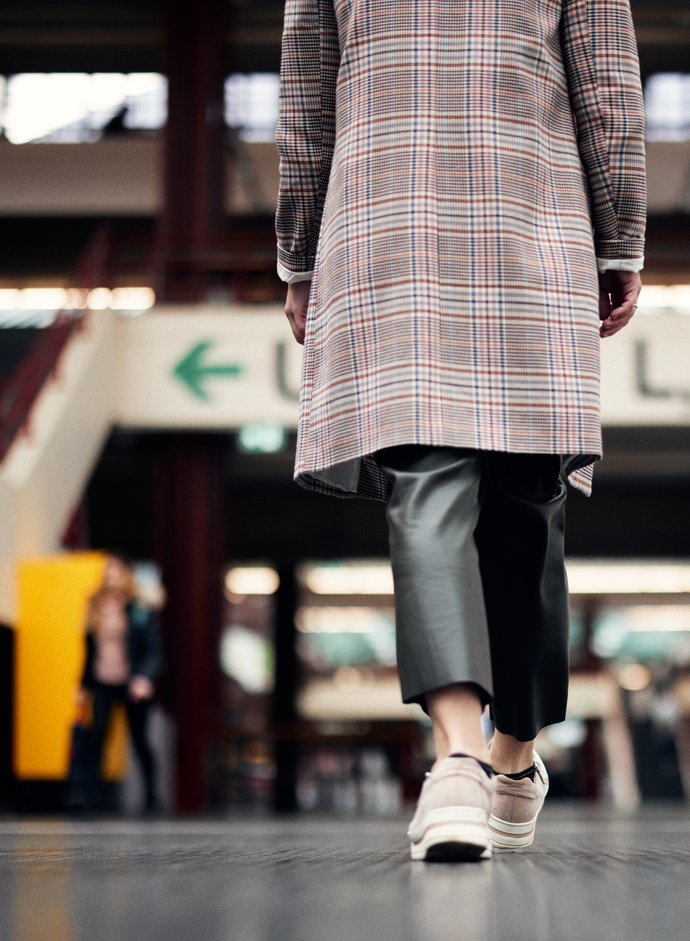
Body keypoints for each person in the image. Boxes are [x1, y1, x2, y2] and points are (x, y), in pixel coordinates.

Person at [276, 0, 646, 859]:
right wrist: (618, 234)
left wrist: (300, 252)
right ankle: (481, 758)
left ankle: (489, 758)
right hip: (527, 212)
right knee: (480, 486)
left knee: (475, 493)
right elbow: (608, 88)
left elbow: (304, 102)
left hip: (391, 217)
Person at [68, 555, 164, 813]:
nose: (111, 578)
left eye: (116, 573)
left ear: (125, 576)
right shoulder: (95, 606)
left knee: (139, 740)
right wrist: (83, 685)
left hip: (131, 683)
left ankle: (152, 797)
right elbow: (89, 651)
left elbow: (153, 650)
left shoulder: (138, 608)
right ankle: (92, 796)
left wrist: (144, 677)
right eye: (107, 573)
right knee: (96, 737)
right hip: (102, 681)